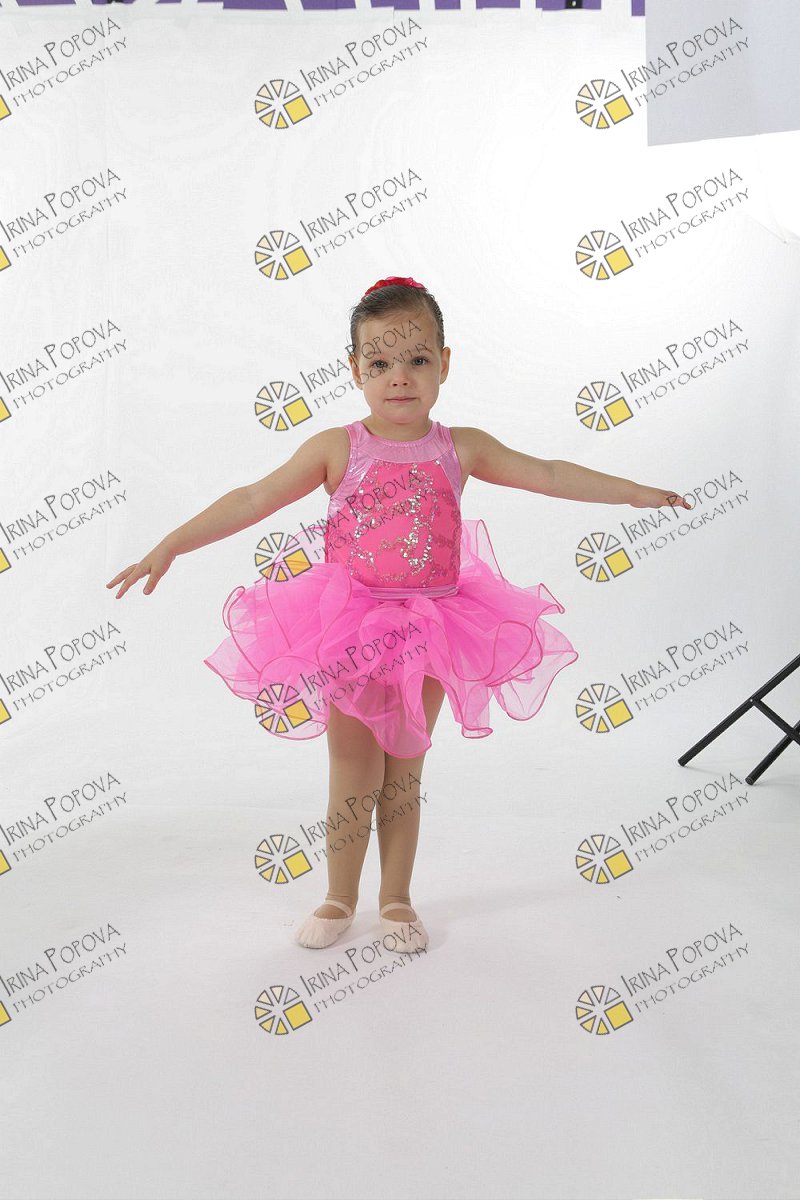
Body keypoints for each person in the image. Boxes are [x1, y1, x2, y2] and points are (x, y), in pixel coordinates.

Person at [106, 275, 692, 955]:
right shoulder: (337, 448)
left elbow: (550, 473)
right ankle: (338, 895)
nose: (400, 377)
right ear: (355, 370)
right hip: (347, 628)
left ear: (445, 362)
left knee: (405, 770)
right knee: (352, 765)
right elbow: (253, 497)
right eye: (380, 362)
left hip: (432, 627)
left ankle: (396, 899)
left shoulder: (461, 447)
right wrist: (172, 544)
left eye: (417, 359)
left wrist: (633, 493)